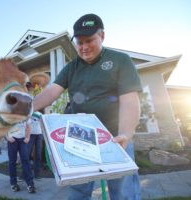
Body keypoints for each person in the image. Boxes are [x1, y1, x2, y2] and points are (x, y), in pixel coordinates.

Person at [33, 13, 142, 200]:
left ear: (102, 36)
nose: (83, 47)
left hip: (115, 138)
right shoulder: (71, 67)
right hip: (80, 140)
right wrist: (25, 109)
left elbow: (130, 101)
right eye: (79, 42)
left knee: (123, 193)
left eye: (89, 40)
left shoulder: (120, 60)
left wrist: (126, 133)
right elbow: (51, 92)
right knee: (78, 193)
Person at [6, 120, 36, 193]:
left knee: (26, 161)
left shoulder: (26, 113)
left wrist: (28, 137)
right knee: (12, 162)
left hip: (23, 140)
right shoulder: (10, 111)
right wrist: (7, 137)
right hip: (12, 139)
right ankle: (13, 183)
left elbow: (28, 126)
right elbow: (3, 126)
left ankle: (30, 184)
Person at [27, 112, 43, 180]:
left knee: (38, 155)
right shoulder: (29, 112)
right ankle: (24, 174)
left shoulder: (40, 114)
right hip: (30, 135)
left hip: (39, 135)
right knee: (27, 154)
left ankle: (37, 174)